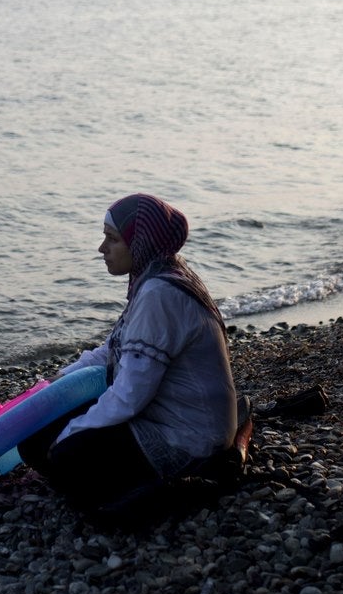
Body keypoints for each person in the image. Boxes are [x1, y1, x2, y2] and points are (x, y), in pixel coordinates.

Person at [18, 193, 239, 515]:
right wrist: (54, 383)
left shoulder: (159, 295)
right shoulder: (159, 275)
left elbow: (131, 395)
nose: (101, 248)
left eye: (112, 239)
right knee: (37, 435)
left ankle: (182, 485)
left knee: (61, 456)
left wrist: (69, 434)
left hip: (188, 439)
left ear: (140, 242)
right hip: (174, 421)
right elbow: (110, 351)